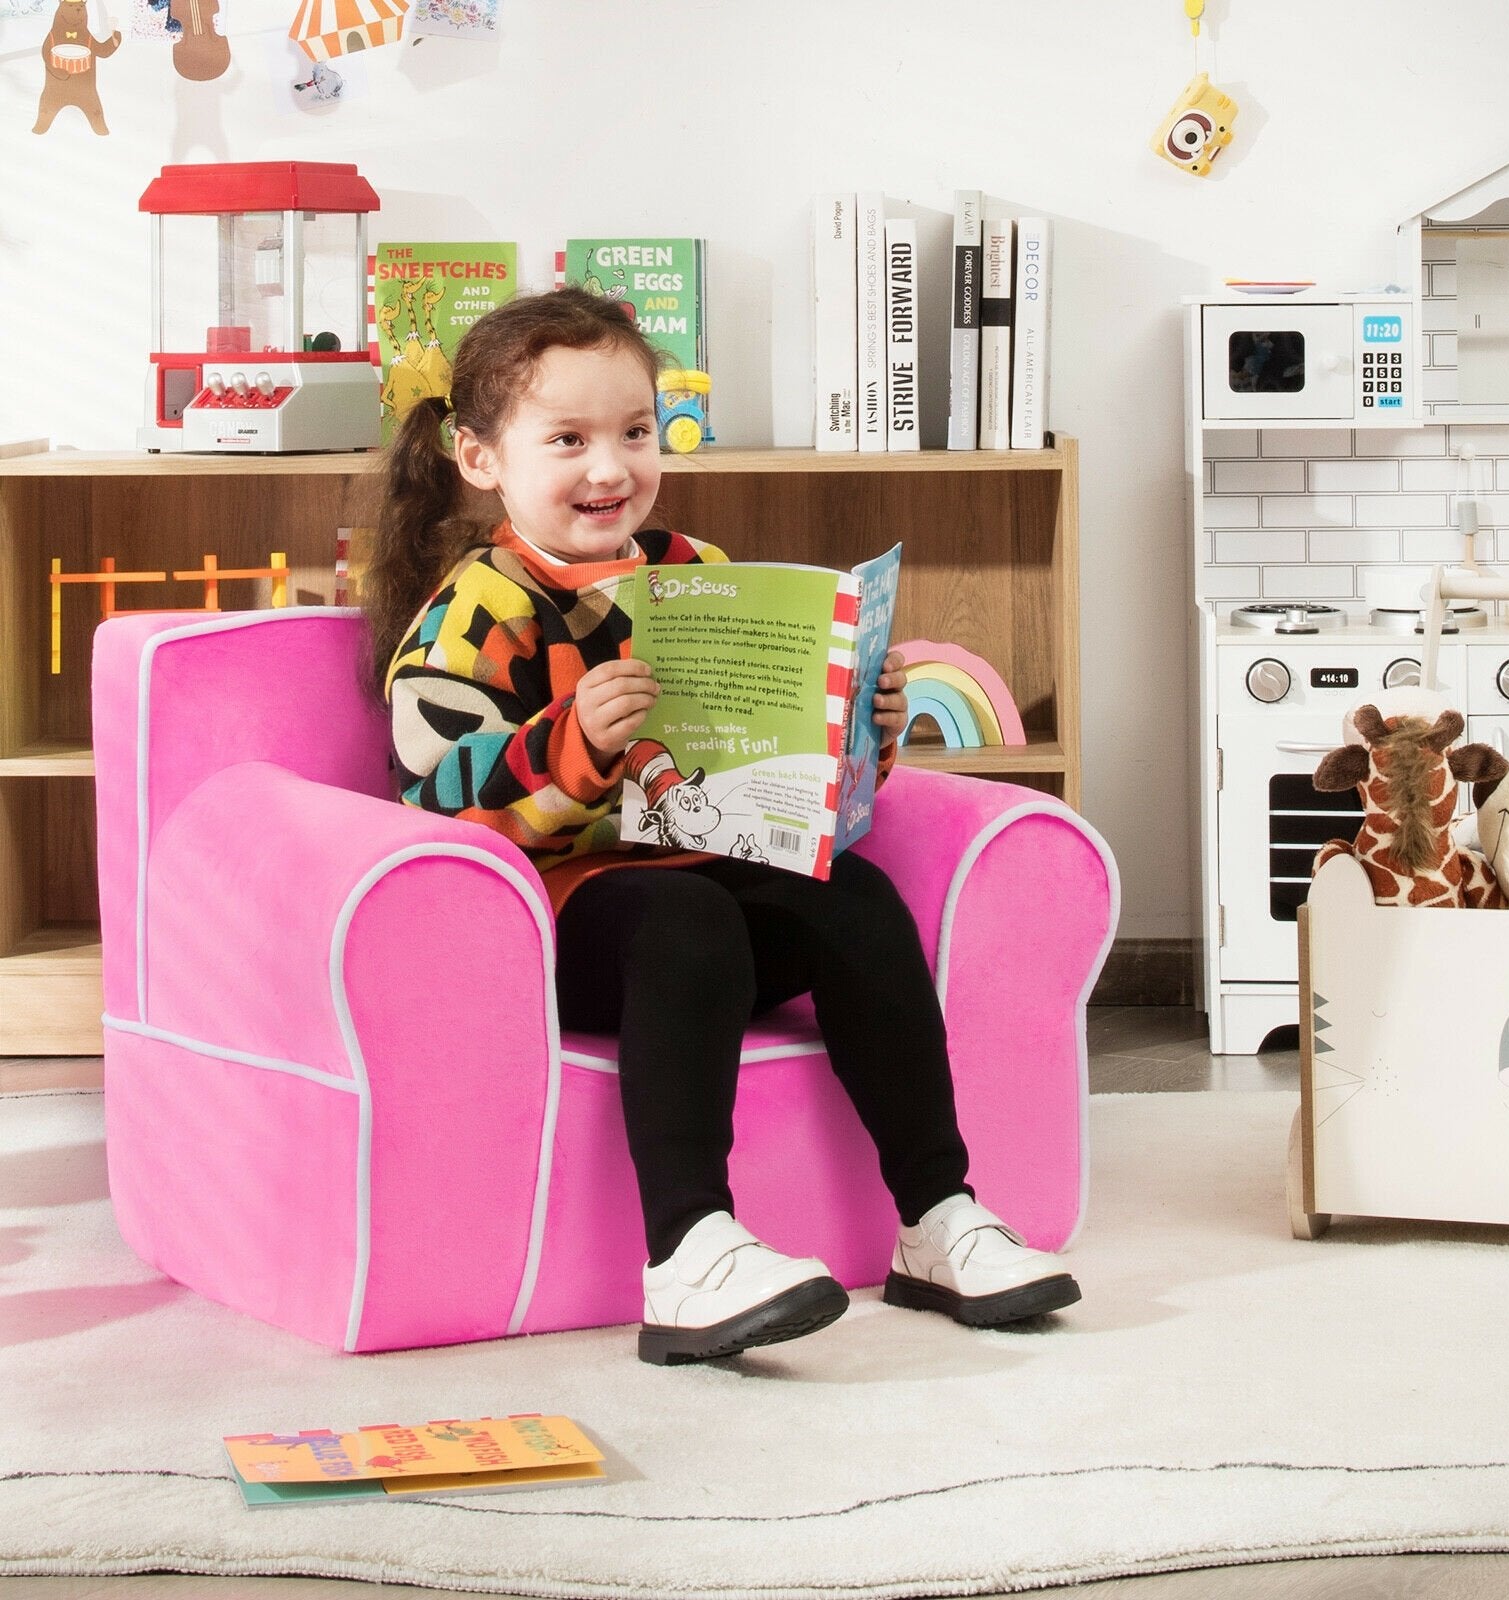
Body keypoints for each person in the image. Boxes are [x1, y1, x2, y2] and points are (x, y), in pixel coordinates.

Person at [363, 288, 1081, 1366]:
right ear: (479, 458)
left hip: (705, 871)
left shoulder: (691, 571)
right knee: (683, 913)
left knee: (855, 897)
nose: (610, 468)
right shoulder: (478, 609)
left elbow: (764, 765)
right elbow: (432, 790)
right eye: (568, 440)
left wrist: (857, 732)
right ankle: (689, 1248)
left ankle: (938, 1214)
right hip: (566, 917)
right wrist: (572, 740)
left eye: (635, 433)